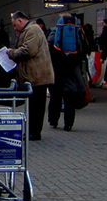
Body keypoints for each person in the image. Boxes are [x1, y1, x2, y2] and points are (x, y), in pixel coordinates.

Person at [7, 11, 54, 141]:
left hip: (37, 76)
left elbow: (28, 50)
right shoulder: (28, 31)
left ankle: (34, 132)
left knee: (36, 107)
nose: (15, 28)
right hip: (34, 76)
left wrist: (12, 53)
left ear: (20, 21)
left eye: (15, 25)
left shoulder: (33, 30)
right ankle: (32, 131)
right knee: (34, 106)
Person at [47, 14, 89, 132]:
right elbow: (82, 50)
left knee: (56, 97)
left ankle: (53, 120)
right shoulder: (77, 34)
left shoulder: (53, 34)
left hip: (57, 70)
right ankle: (69, 124)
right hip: (71, 70)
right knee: (69, 99)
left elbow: (49, 51)